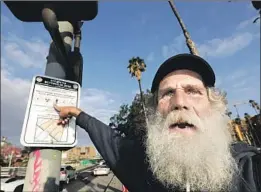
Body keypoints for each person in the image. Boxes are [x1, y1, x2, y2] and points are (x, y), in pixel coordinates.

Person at [54, 53, 261, 192]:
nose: (179, 102)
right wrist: (77, 113)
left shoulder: (249, 169)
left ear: (214, 106)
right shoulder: (143, 167)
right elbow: (110, 140)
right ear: (154, 113)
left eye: (193, 91)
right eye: (168, 93)